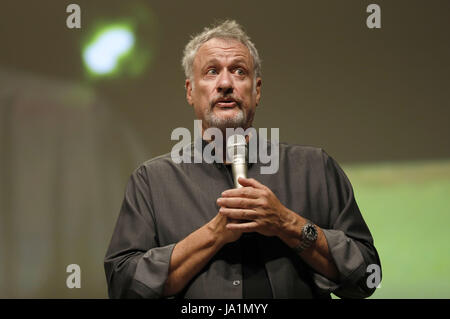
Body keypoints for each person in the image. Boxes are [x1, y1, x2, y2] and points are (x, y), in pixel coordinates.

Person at [104, 20, 381, 299]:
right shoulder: (152, 181)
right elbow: (124, 288)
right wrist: (214, 233)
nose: (225, 83)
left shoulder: (314, 168)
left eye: (239, 71)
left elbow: (367, 277)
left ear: (256, 90)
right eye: (212, 72)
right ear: (190, 91)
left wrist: (286, 223)